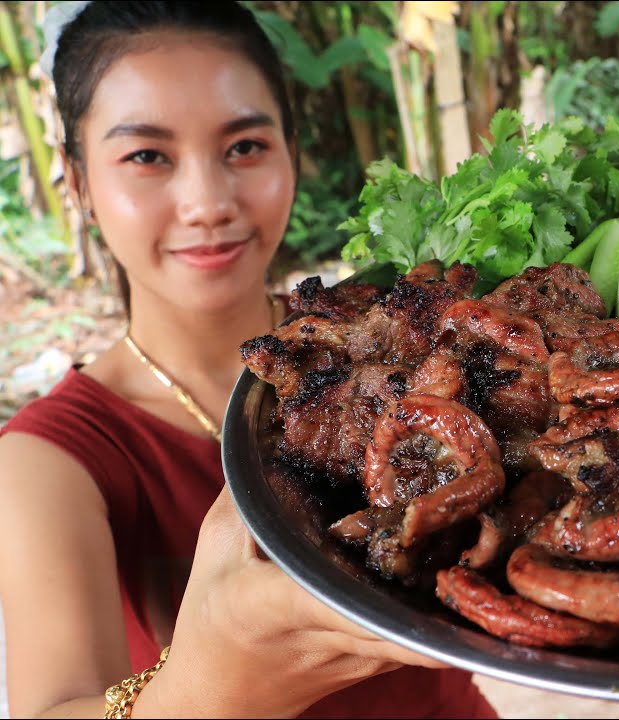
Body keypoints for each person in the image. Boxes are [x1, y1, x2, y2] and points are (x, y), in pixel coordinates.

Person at [0, 2, 496, 717]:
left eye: (244, 147)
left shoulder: (404, 343)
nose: (208, 201)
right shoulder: (53, 458)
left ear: (291, 151)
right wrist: (216, 682)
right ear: (77, 183)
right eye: (146, 156)